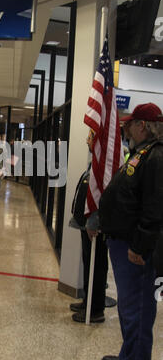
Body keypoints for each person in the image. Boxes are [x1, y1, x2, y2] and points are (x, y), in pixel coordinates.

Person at [98, 103, 163, 360]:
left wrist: (139, 246)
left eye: (129, 124)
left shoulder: (157, 156)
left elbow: (154, 208)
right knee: (129, 305)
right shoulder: (143, 152)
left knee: (137, 307)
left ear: (143, 126)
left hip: (137, 248)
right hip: (125, 243)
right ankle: (130, 354)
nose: (125, 129)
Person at [69, 129, 108, 323]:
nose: (87, 140)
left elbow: (101, 197)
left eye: (91, 137)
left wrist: (94, 222)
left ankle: (95, 310)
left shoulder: (103, 167)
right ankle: (87, 300)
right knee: (88, 265)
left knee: (96, 268)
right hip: (86, 224)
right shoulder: (94, 163)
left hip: (95, 227)